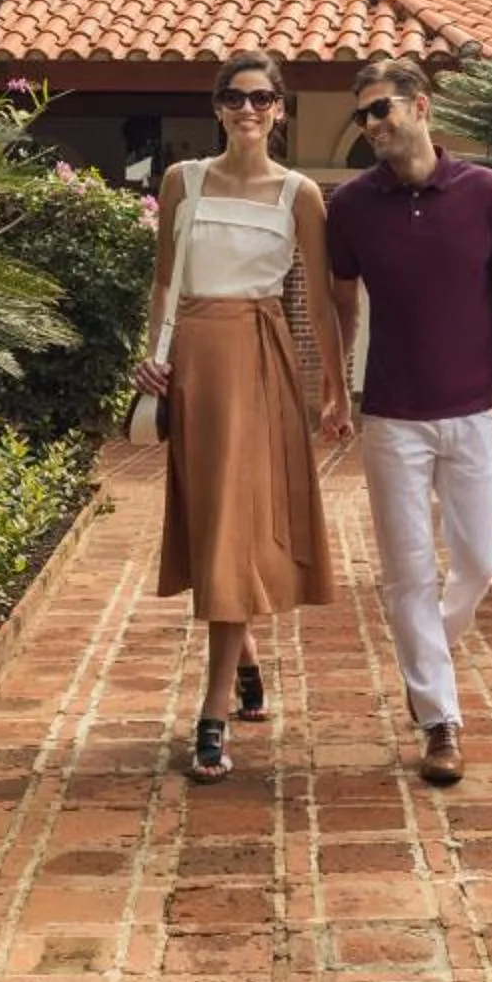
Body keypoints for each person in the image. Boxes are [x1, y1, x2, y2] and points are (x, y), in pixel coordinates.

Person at [132, 51, 352, 782]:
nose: (248, 110)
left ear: (281, 109)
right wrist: (150, 357)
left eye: (262, 99)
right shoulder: (182, 181)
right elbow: (165, 282)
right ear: (218, 108)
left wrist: (337, 390)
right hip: (194, 364)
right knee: (211, 521)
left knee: (234, 522)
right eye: (235, 98)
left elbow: (318, 299)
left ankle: (213, 711)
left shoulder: (300, 195)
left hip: (261, 362)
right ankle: (248, 658)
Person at [325, 56, 492, 786]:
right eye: (363, 116)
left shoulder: (488, 192)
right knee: (408, 574)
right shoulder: (351, 206)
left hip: (473, 410)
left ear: (421, 106)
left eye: (382, 109)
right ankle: (439, 720)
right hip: (391, 416)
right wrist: (335, 382)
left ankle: (428, 659)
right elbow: (342, 303)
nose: (373, 125)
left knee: (481, 561)